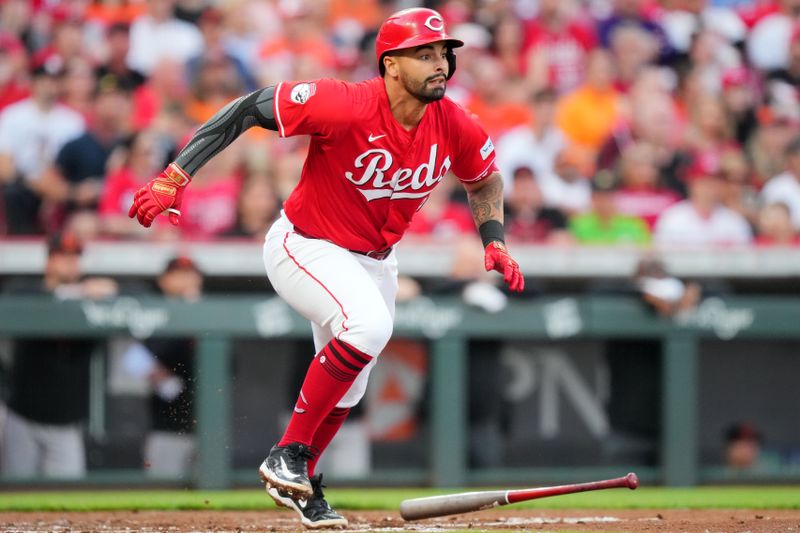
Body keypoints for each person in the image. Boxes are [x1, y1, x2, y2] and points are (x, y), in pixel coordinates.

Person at [127, 7, 524, 529]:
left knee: (352, 385)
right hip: (305, 245)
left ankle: (302, 484)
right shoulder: (345, 102)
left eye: (444, 54)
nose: (441, 64)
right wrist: (177, 174)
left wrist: (492, 240)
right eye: (424, 54)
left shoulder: (454, 122)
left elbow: (485, 179)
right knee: (369, 328)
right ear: (390, 65)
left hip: (376, 260)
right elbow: (249, 107)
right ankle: (287, 453)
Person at [0, 232, 118, 478]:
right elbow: (16, 299)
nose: (69, 263)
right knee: (14, 491)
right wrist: (74, 292)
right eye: (62, 257)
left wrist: (95, 294)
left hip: (66, 420)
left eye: (74, 257)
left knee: (67, 493)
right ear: (49, 261)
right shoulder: (27, 292)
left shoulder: (91, 300)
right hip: (24, 415)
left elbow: (123, 295)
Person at [122, 255, 202, 477]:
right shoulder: (153, 314)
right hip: (167, 426)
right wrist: (162, 378)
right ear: (164, 281)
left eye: (190, 274)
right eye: (178, 275)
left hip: (207, 428)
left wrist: (194, 311)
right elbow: (133, 357)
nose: (186, 280)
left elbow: (230, 365)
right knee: (161, 490)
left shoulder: (206, 312)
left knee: (211, 494)